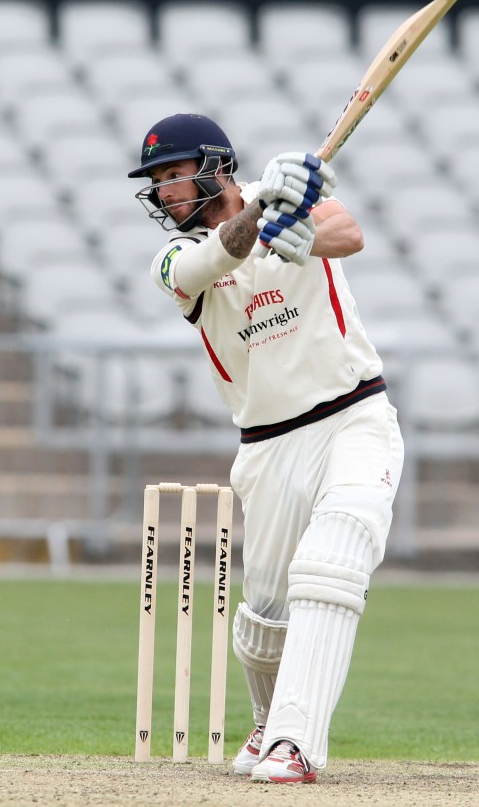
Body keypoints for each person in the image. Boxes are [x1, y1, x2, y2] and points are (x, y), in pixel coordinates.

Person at [128, 113, 404, 784]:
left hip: (353, 418)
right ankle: (265, 720)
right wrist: (261, 215)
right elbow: (212, 256)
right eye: (156, 181)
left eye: (175, 174)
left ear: (215, 165)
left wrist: (298, 224)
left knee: (333, 563)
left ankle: (295, 742)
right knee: (265, 618)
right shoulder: (174, 259)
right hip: (268, 448)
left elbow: (349, 233)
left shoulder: (290, 199)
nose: (165, 191)